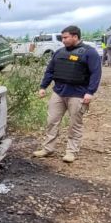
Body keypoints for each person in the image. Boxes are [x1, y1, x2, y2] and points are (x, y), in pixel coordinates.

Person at [33, 25, 102, 163]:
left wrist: (90, 92)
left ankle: (71, 152)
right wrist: (43, 87)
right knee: (52, 121)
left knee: (74, 124)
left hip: (78, 94)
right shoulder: (59, 53)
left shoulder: (89, 52)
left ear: (75, 36)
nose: (63, 40)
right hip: (59, 92)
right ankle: (48, 149)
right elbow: (50, 71)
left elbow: (96, 73)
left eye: (65, 37)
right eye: (62, 37)